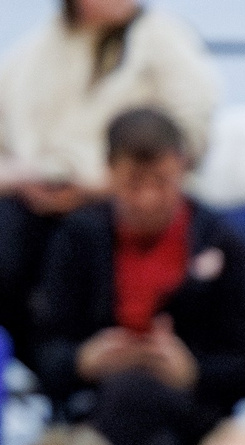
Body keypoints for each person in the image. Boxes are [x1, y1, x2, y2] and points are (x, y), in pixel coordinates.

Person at [28, 107, 245, 445]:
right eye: (133, 184)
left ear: (183, 169)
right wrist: (85, 361)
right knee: (132, 400)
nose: (148, 199)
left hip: (190, 411)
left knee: (133, 396)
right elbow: (42, 346)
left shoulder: (223, 240)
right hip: (97, 404)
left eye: (162, 182)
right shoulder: (79, 237)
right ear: (109, 174)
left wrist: (193, 372)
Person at [0, 0, 218, 351]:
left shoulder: (166, 41)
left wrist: (110, 183)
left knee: (88, 239)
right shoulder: (31, 53)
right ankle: (37, 360)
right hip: (33, 199)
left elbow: (191, 138)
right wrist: (20, 178)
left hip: (125, 199)